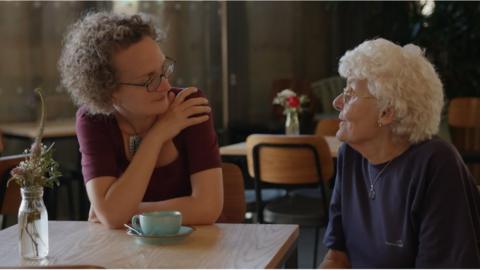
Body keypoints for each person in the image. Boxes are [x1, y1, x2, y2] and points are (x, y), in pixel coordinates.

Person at [320, 38, 480, 268]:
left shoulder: (436, 164)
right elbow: (337, 256)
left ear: (386, 112)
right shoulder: (351, 155)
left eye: (350, 94)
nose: (337, 102)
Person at [58, 12, 223, 229]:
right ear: (109, 92)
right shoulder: (94, 121)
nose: (164, 86)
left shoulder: (188, 105)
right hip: (125, 254)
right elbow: (112, 216)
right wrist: (157, 136)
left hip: (196, 248)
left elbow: (208, 208)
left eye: (163, 70)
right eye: (148, 81)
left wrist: (124, 211)